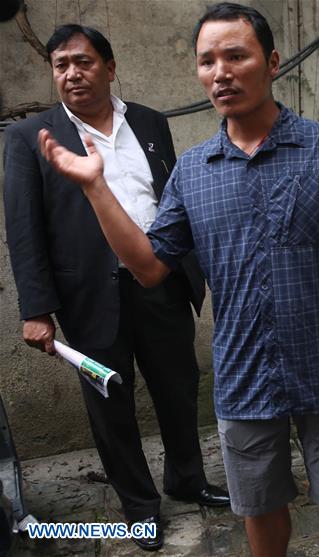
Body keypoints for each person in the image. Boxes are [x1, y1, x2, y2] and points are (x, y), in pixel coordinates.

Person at [36, 3, 319, 556]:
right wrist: (96, 188)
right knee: (260, 515)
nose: (221, 73)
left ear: (272, 62)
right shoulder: (193, 171)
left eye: (236, 56)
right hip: (244, 375)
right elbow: (149, 266)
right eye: (207, 61)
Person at [3, 24, 229, 552]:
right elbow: (24, 229)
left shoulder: (149, 122)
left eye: (82, 62)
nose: (71, 74)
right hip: (88, 297)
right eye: (61, 65)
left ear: (109, 67)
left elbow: (170, 197)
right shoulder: (30, 137)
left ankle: (187, 478)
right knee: (110, 405)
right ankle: (140, 508)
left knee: (179, 388)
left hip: (161, 280)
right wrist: (37, 310)